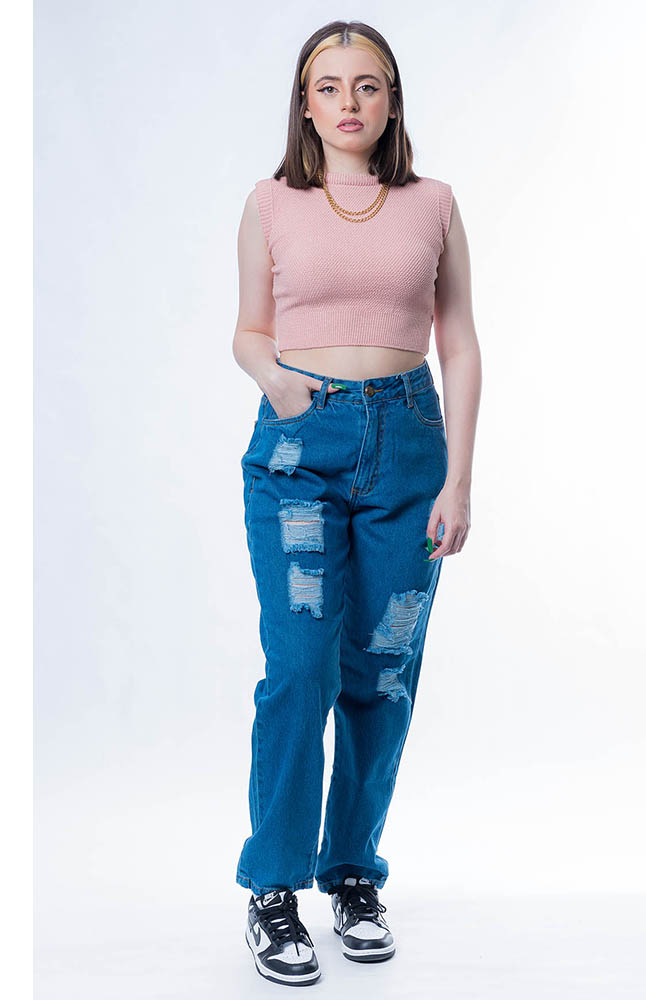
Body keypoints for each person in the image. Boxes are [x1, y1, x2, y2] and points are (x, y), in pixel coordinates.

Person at [232, 20, 481, 987]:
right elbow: (249, 329)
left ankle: (353, 875)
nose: (348, 102)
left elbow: (459, 341)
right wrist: (278, 382)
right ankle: (273, 887)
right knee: (300, 668)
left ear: (391, 100)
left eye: (366, 85)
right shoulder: (270, 203)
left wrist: (459, 476)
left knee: (382, 673)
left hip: (410, 448)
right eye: (329, 86)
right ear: (305, 105)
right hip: (301, 449)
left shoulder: (434, 204)